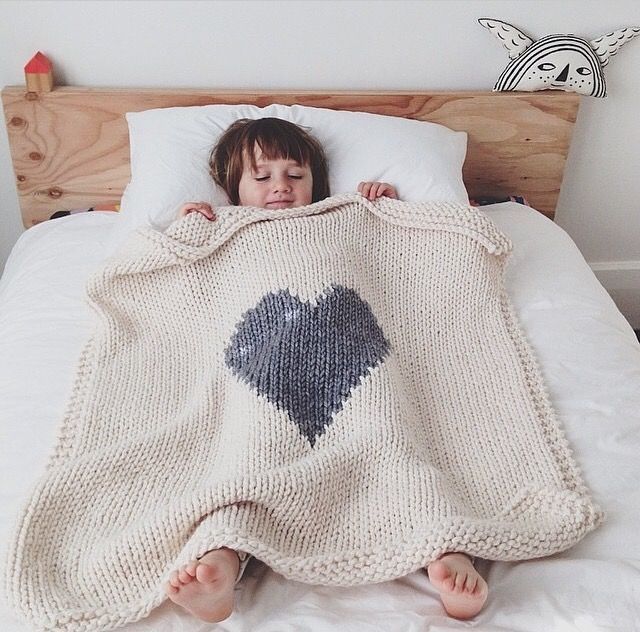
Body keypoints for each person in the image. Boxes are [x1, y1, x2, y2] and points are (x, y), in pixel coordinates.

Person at [165, 117, 488, 623]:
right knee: (248, 456)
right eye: (262, 176)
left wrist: (387, 212)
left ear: (315, 181)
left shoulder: (344, 215)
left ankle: (446, 552)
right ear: (233, 188)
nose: (280, 187)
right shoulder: (222, 228)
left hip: (357, 358)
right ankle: (222, 559)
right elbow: (176, 288)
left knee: (391, 439)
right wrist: (185, 231)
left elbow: (407, 261)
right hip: (262, 365)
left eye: (295, 175)